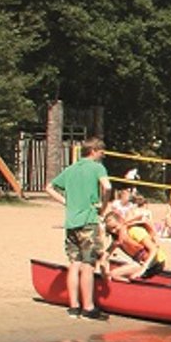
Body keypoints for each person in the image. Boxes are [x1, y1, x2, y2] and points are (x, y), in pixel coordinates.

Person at [48, 136, 112, 319]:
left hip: (71, 222)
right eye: (101, 153)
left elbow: (49, 187)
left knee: (74, 263)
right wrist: (104, 205)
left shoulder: (71, 169)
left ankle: (74, 306)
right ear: (94, 151)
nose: (102, 157)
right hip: (88, 221)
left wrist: (67, 202)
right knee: (88, 264)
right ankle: (88, 307)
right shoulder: (97, 167)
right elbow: (107, 187)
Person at [101, 207, 164, 281]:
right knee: (113, 275)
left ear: (121, 222)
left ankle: (132, 282)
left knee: (114, 274)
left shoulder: (134, 231)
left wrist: (143, 268)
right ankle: (130, 283)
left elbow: (154, 249)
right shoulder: (117, 240)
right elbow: (105, 256)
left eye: (115, 227)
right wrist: (103, 270)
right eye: (110, 229)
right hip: (141, 263)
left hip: (155, 262)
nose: (113, 231)